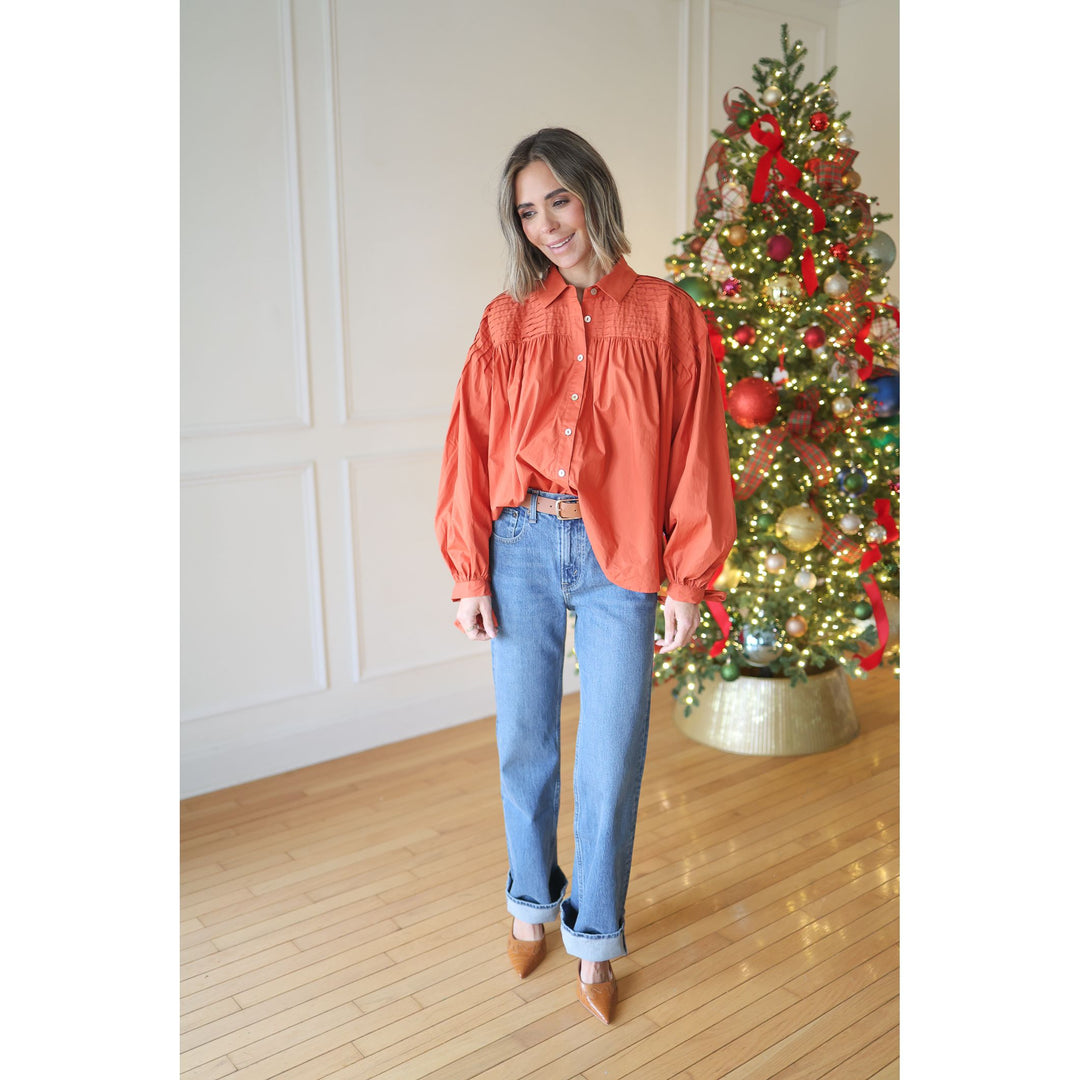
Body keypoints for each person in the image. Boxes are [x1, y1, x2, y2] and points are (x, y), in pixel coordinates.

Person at [434, 128, 736, 1025]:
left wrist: (688, 579)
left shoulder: (669, 314)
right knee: (525, 744)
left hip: (623, 559)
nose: (545, 225)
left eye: (557, 200)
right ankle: (530, 901)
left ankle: (594, 937)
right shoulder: (506, 319)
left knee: (610, 757)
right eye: (527, 212)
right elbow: (469, 449)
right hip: (519, 543)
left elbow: (696, 452)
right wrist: (467, 571)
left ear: (592, 193)